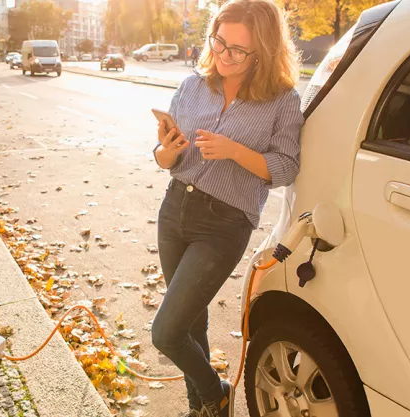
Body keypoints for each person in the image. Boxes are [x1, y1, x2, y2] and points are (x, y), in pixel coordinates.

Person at [150, 0, 303, 416]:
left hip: (224, 224)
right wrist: (167, 150)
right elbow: (164, 160)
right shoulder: (192, 85)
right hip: (175, 209)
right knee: (189, 326)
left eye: (238, 50)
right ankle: (202, 409)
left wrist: (236, 151)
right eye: (219, 41)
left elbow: (286, 168)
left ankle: (215, 390)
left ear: (265, 51)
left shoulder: (283, 100)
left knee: (165, 332)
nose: (224, 55)